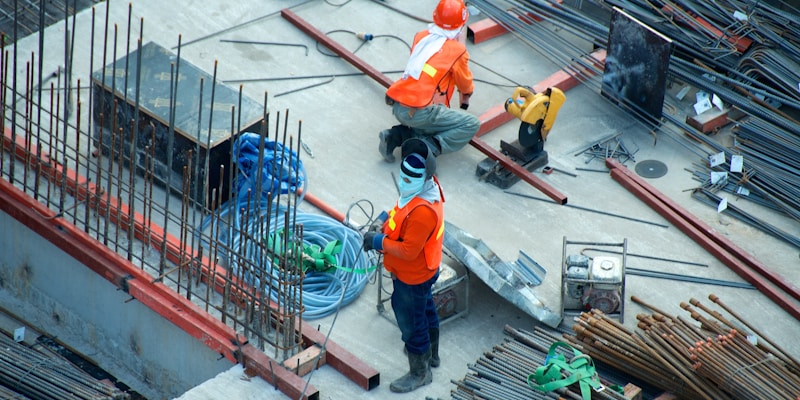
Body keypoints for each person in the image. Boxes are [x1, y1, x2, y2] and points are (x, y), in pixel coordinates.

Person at [363, 138, 445, 393]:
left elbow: (409, 251)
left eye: (411, 179)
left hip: (413, 275)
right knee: (426, 309)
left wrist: (378, 240)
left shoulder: (423, 212)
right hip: (423, 271)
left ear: (425, 177)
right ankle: (431, 355)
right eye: (403, 176)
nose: (404, 182)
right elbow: (401, 212)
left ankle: (420, 373)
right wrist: (384, 221)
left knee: (412, 322)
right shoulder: (423, 190)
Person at [379, 0, 480, 163]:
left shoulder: (422, 36)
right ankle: (427, 147)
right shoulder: (457, 51)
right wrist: (467, 93)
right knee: (470, 124)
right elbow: (464, 84)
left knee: (431, 119)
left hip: (398, 103)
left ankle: (395, 136)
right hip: (419, 111)